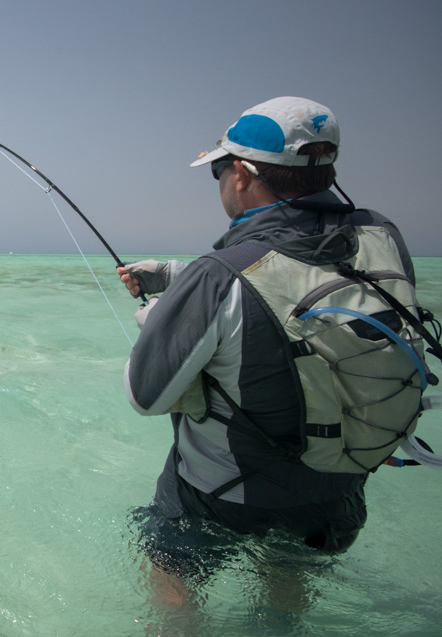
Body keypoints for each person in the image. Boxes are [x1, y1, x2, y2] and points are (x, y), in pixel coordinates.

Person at [117, 97, 420, 567]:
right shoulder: (382, 236)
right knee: (286, 593)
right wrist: (181, 276)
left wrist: (159, 317)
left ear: (241, 174)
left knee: (170, 572)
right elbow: (296, 277)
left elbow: (145, 398)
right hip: (337, 493)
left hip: (221, 496)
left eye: (217, 170)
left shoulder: (218, 276)